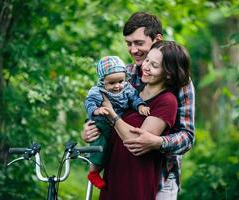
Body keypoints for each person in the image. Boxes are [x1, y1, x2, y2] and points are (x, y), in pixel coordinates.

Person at [82, 12, 195, 199]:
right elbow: (100, 106)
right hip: (118, 170)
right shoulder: (123, 74)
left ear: (157, 39)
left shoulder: (179, 84)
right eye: (129, 43)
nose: (133, 50)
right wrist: (89, 128)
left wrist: (156, 141)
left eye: (139, 43)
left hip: (160, 176)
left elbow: (187, 136)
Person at [99, 40, 191, 200]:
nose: (146, 67)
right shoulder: (131, 91)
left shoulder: (167, 101)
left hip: (136, 179)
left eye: (154, 65)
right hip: (115, 172)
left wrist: (112, 115)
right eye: (147, 60)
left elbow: (136, 141)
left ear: (168, 73)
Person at [84, 55, 150, 189]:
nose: (117, 86)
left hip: (115, 124)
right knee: (100, 146)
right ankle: (93, 172)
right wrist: (96, 111)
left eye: (120, 81)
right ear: (102, 81)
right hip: (100, 124)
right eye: (112, 83)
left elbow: (135, 99)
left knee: (111, 150)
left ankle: (101, 170)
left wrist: (140, 106)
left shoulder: (127, 88)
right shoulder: (98, 91)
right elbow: (89, 102)